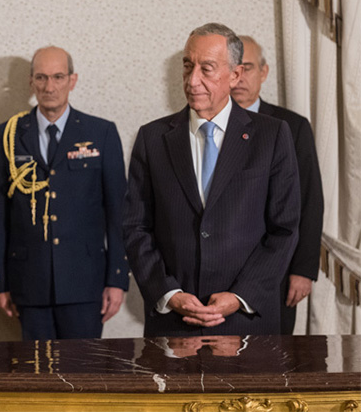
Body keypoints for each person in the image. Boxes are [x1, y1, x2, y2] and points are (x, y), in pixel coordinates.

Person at [124, 23, 301, 337]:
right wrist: (169, 294)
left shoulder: (272, 136)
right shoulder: (152, 138)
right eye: (188, 67)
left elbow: (284, 228)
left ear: (234, 75)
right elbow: (136, 227)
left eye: (206, 69)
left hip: (247, 320)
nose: (193, 81)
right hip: (174, 323)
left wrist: (238, 297)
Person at [0, 46, 129, 340]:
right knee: (37, 379)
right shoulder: (7, 136)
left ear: (72, 80)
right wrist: (0, 282)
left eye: (58, 77)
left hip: (85, 282)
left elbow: (118, 213)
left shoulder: (100, 132)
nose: (50, 87)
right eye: (42, 77)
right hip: (28, 281)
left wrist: (118, 279)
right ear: (31, 82)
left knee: (82, 377)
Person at [232, 35, 324, 334]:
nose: (240, 77)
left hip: (278, 269)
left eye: (247, 67)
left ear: (264, 72)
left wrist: (303, 269)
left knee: (273, 359)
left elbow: (310, 199)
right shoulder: (204, 125)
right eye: (234, 68)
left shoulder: (291, 126)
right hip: (221, 271)